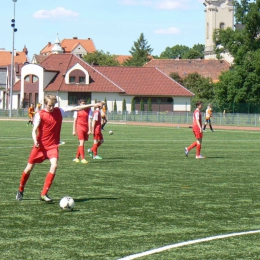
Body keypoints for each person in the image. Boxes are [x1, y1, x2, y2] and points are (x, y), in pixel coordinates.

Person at [16, 94, 100, 202]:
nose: (51, 107)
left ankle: (44, 193)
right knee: (28, 169)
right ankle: (21, 190)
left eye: (53, 105)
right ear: (45, 104)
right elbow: (34, 130)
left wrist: (92, 104)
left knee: (54, 165)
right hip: (40, 146)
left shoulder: (59, 111)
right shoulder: (40, 114)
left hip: (52, 146)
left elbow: (76, 108)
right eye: (49, 105)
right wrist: (35, 140)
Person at [72, 99, 93, 164]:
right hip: (79, 127)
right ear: (80, 104)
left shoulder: (89, 110)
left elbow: (89, 120)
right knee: (82, 142)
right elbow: (75, 120)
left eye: (84, 103)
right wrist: (73, 130)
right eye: (82, 103)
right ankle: (83, 158)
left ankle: (76, 158)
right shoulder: (77, 110)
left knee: (81, 143)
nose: (83, 104)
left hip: (85, 127)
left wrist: (90, 129)